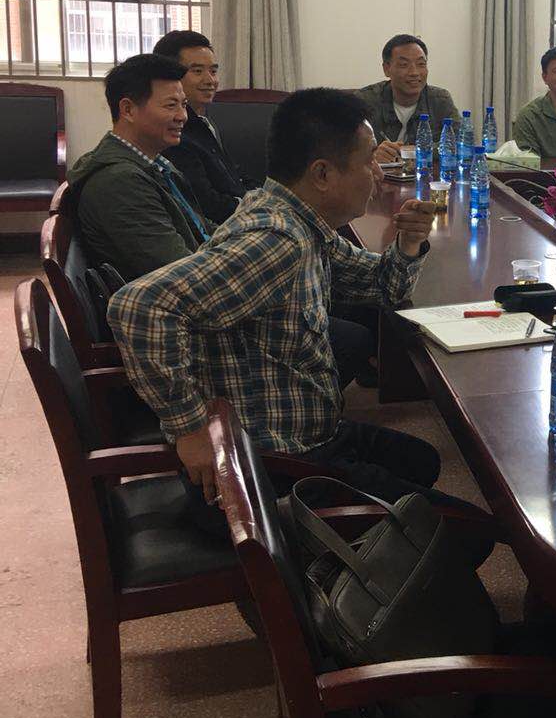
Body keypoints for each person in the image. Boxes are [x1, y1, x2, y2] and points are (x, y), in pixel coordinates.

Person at [107, 88, 447, 508]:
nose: (378, 174)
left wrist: (408, 242)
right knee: (464, 528)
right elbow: (139, 306)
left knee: (421, 461)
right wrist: (189, 430)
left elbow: (382, 285)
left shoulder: (298, 217)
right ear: (322, 174)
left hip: (310, 430)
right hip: (278, 463)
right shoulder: (279, 241)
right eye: (367, 161)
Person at [69, 54, 213, 282]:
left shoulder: (151, 163)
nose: (182, 116)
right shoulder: (119, 183)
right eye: (171, 105)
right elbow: (180, 274)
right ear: (128, 110)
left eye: (183, 105)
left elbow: (201, 227)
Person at [152, 29, 257, 223]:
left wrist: (263, 197)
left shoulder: (206, 122)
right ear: (170, 76)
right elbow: (206, 205)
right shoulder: (174, 133)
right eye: (197, 71)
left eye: (213, 71)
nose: (210, 81)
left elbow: (236, 176)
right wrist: (256, 206)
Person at [357, 34, 460, 163]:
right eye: (404, 65)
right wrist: (371, 155)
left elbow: (461, 144)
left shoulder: (440, 101)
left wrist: (416, 151)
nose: (414, 72)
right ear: (387, 69)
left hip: (424, 174)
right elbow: (343, 148)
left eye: (421, 64)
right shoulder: (365, 101)